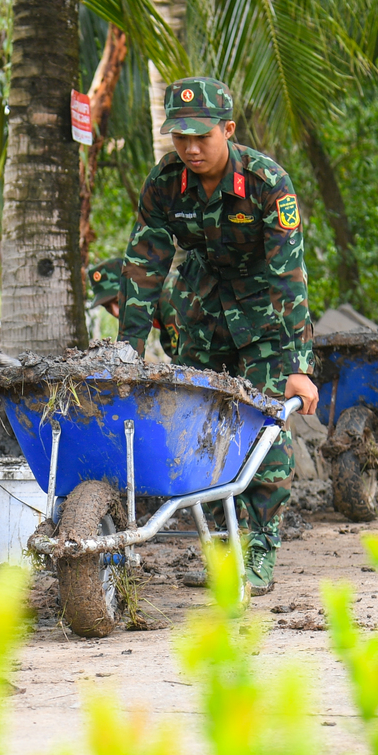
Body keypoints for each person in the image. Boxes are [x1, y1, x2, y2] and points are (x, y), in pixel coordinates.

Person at [118, 77, 319, 596]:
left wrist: (298, 366)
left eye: (202, 136)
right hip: (201, 310)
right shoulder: (165, 183)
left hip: (266, 315)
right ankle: (224, 546)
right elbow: (143, 266)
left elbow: (288, 276)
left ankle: (262, 546)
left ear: (228, 130)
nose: (190, 148)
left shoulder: (267, 183)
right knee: (202, 429)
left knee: (265, 426)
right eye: (180, 137)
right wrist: (127, 352)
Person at [87, 255, 179, 354]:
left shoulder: (169, 294)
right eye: (107, 307)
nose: (116, 312)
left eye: (118, 301)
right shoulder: (152, 305)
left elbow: (186, 355)